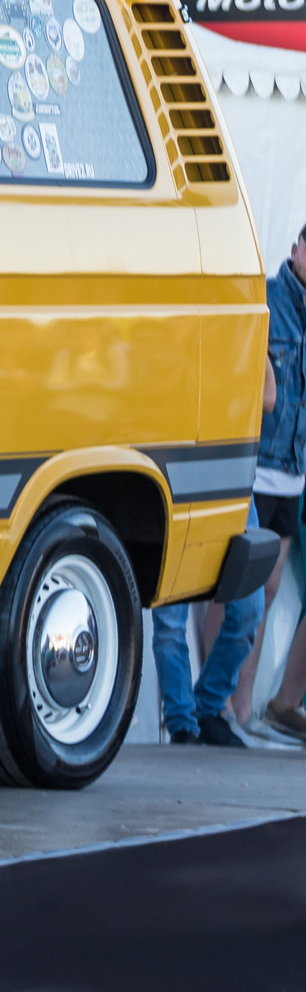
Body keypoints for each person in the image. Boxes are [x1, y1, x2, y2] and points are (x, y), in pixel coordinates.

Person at [153, 232, 296, 745]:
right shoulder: (169, 329)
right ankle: (183, 722)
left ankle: (208, 703)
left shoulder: (242, 326)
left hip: (230, 479)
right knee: (169, 617)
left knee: (248, 609)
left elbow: (270, 398)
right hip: (173, 477)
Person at [246, 224, 306, 741]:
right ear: (295, 250)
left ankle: (247, 709)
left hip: (292, 472)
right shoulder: (267, 300)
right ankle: (230, 707)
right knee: (241, 592)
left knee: (266, 591)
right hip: (257, 467)